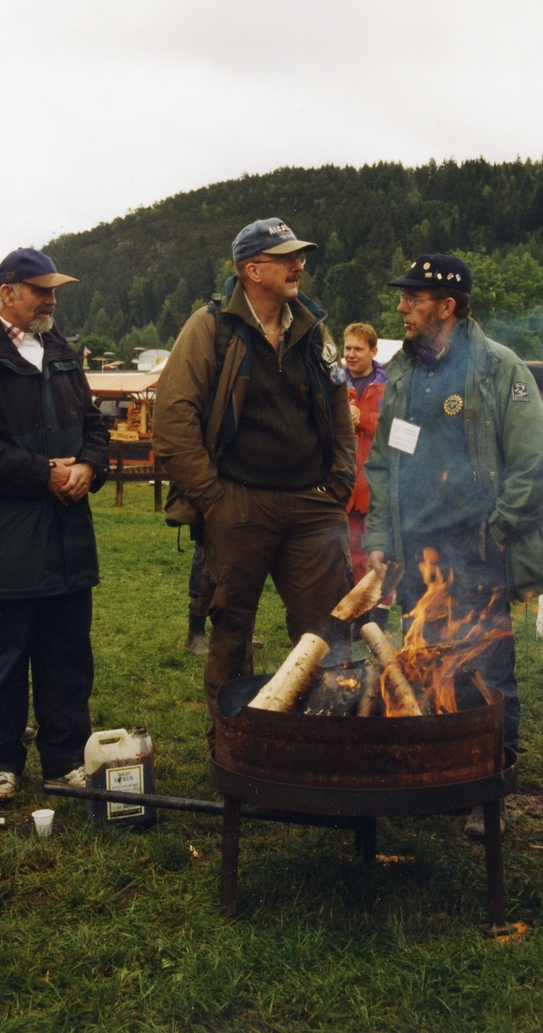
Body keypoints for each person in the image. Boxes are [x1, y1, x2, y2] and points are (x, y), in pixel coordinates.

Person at [363, 254, 543, 836]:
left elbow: (537, 463)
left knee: (485, 668)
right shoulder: (400, 372)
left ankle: (490, 787)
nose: (401, 307)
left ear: (447, 306)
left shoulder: (497, 369)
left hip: (477, 552)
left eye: (414, 297)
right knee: (425, 663)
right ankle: (445, 778)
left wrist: (495, 531)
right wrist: (379, 536)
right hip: (416, 554)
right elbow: (382, 462)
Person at [153, 217, 356, 739]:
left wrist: (339, 482)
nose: (298, 266)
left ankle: (323, 736)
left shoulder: (313, 327)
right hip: (238, 501)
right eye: (286, 258)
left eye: (299, 257)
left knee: (327, 628)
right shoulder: (211, 327)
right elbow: (173, 419)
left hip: (313, 504)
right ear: (251, 269)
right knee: (231, 629)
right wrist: (213, 497)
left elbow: (339, 405)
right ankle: (235, 742)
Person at [0, 248, 109, 801]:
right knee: (4, 654)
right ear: (6, 293)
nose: (51, 301)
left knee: (67, 653)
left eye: (54, 291)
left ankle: (63, 759)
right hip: (3, 534)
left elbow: (94, 430)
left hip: (65, 536)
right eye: (40, 291)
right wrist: (41, 474)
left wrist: (88, 467)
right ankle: (1, 762)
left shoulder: (60, 350)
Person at [343, 322, 391, 627]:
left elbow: (403, 431)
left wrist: (365, 420)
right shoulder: (334, 383)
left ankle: (378, 624)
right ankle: (354, 621)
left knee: (379, 558)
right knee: (347, 557)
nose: (350, 354)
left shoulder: (389, 387)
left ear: (373, 352)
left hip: (377, 490)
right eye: (347, 348)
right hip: (344, 490)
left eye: (358, 349)